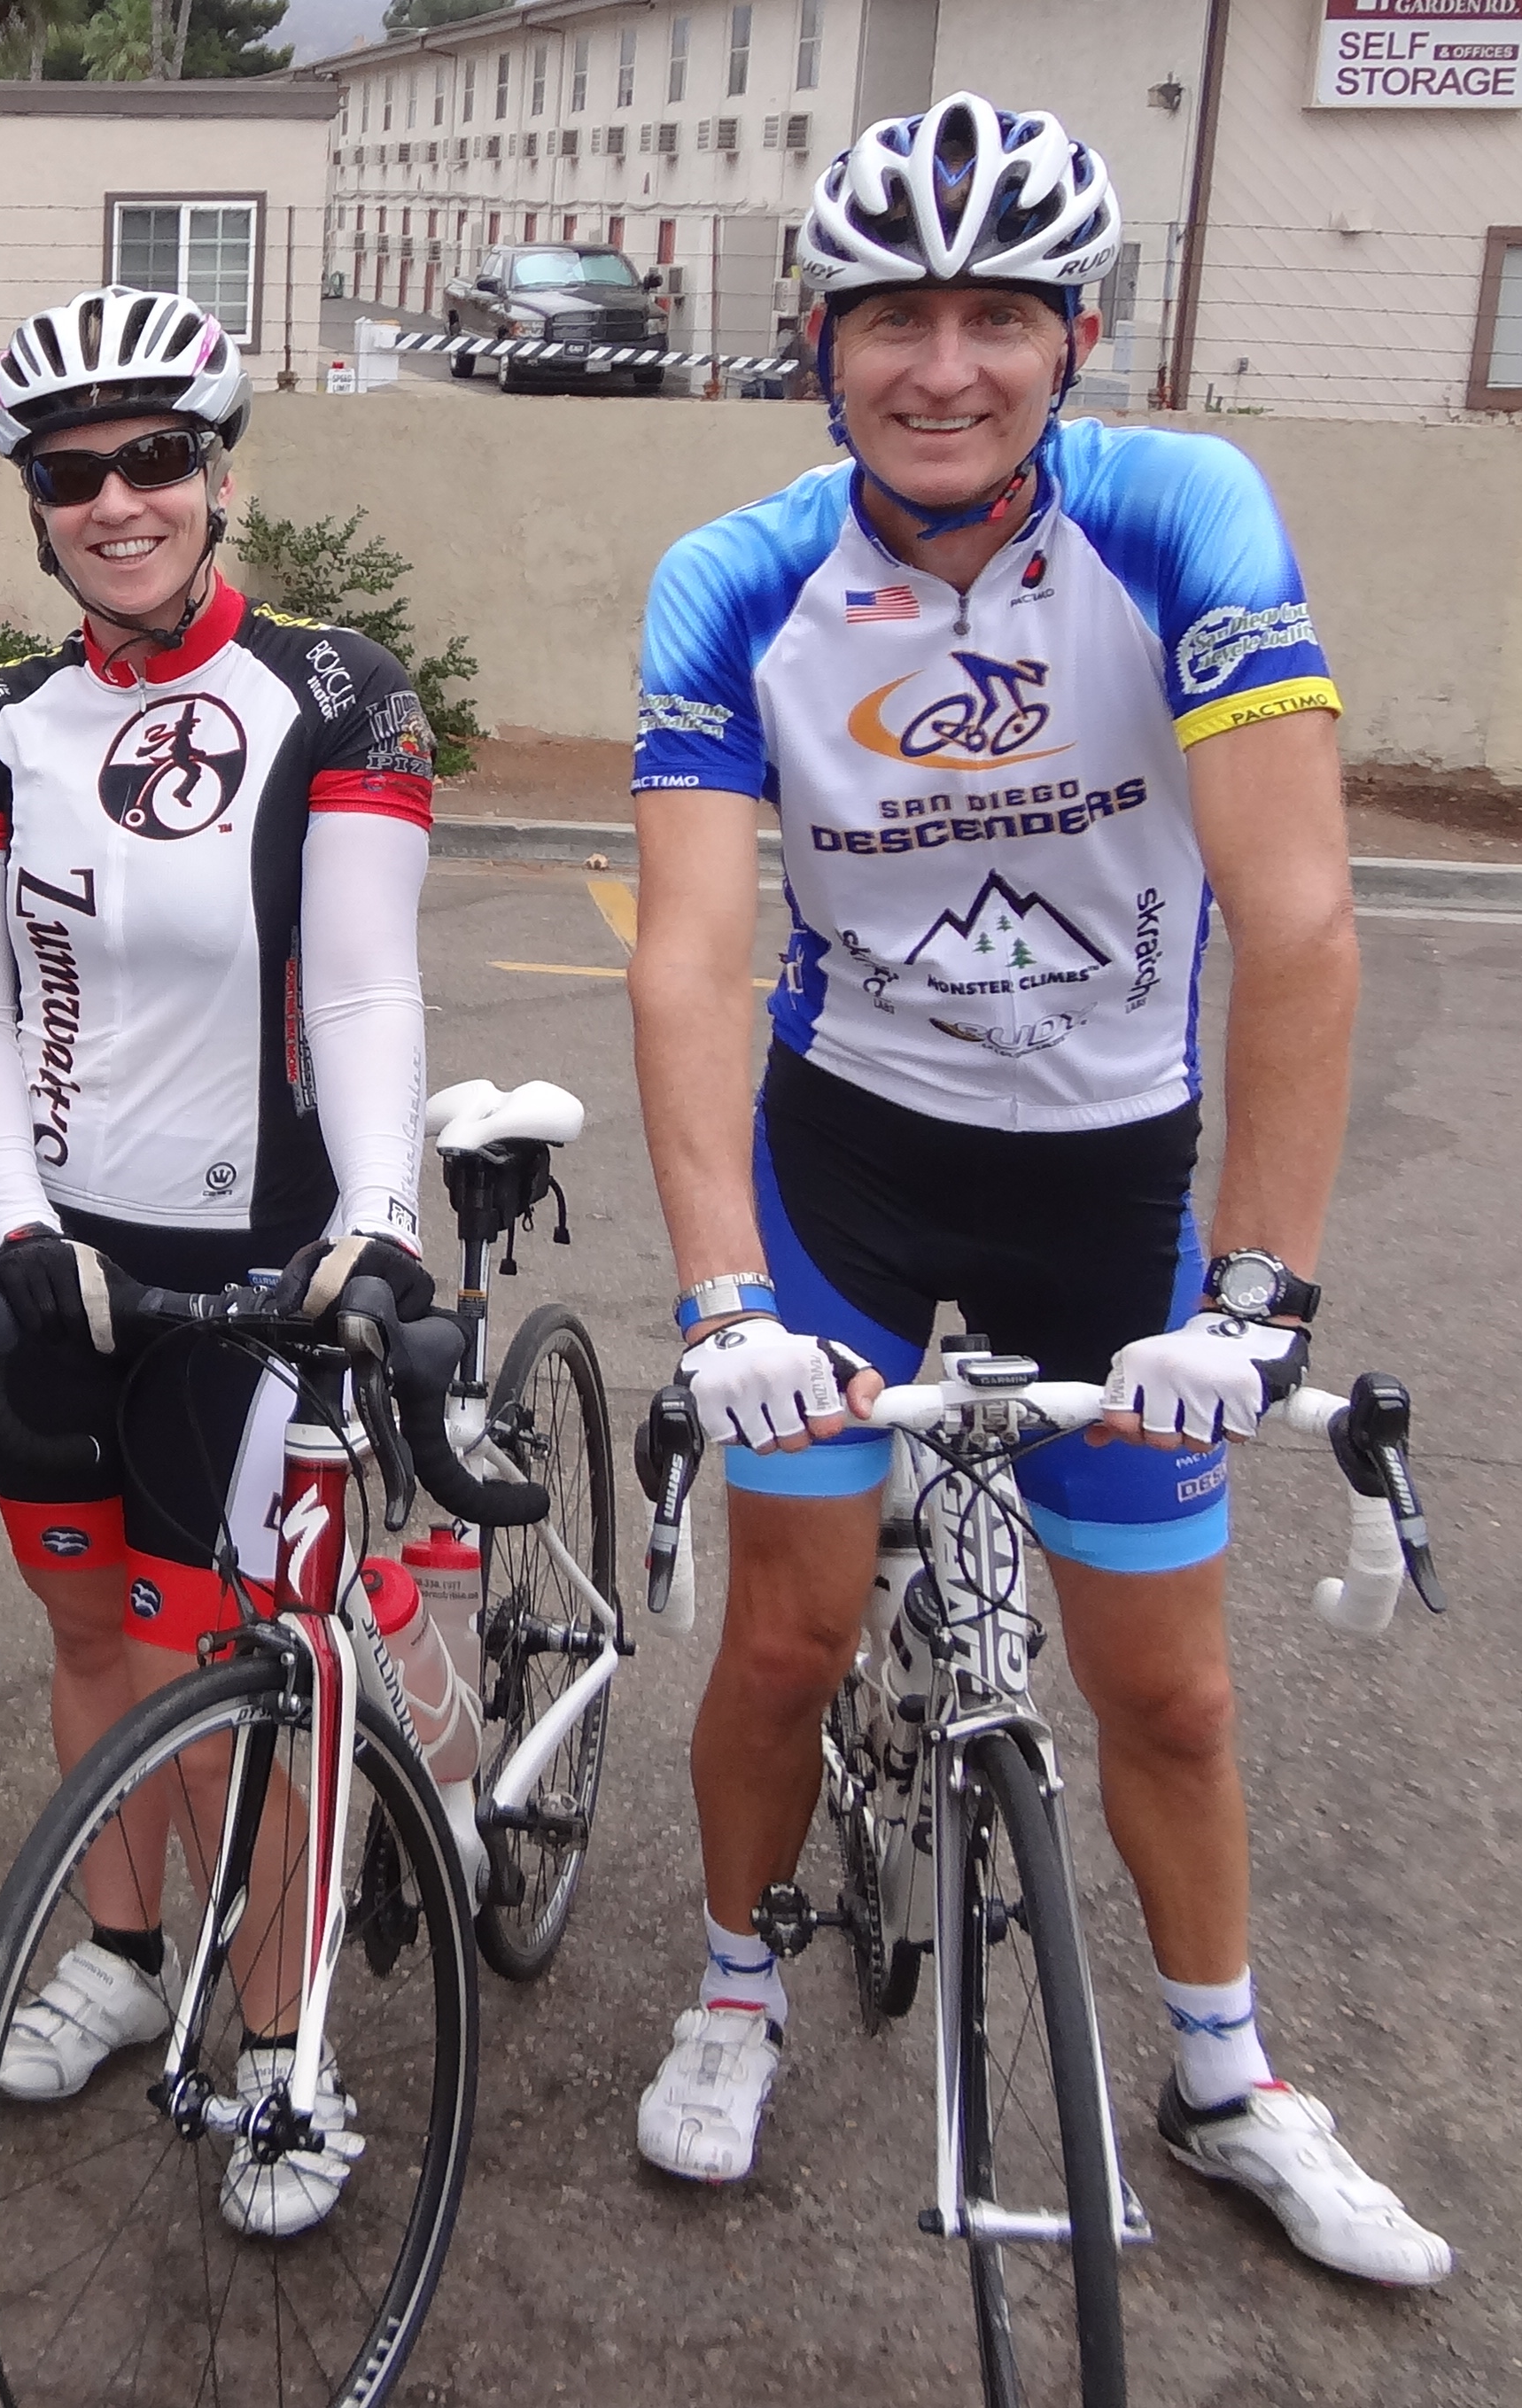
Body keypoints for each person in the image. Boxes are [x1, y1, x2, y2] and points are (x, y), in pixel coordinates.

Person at [625, 93, 1446, 2285]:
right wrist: (720, 1299)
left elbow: (1294, 915)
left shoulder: (1179, 515)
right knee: (785, 1639)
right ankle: (732, 1982)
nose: (942, 366)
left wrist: (1254, 1297)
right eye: (891, 317)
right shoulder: (735, 578)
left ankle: (1226, 2077)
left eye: (994, 315)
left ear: (1075, 335)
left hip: (1109, 1187)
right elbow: (687, 954)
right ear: (817, 340)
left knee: (1166, 1692)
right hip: (847, 1165)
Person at [0, 287, 434, 2226]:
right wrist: (18, 1216)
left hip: (251, 1266)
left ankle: (287, 2045)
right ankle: (127, 1950)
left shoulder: (336, 691)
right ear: (36, 506)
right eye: (72, 474)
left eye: (152, 459)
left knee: (218, 1663)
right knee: (82, 1626)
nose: (115, 500)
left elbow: (365, 986)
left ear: (215, 475)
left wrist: (376, 1219)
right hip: (45, 1250)